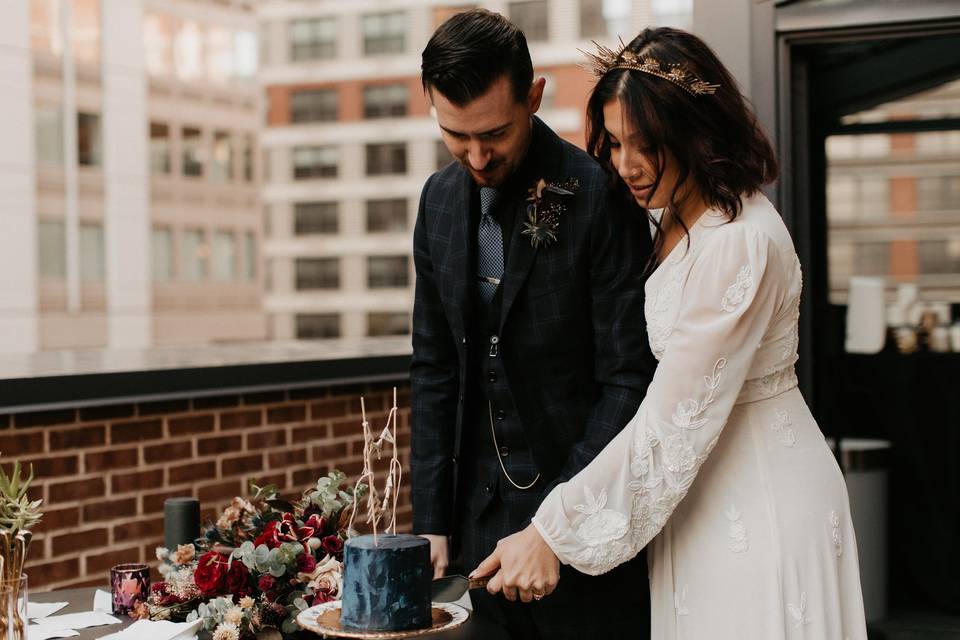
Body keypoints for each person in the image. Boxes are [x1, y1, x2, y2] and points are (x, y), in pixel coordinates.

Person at [474, 27, 869, 639]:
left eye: (646, 144)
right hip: (694, 503)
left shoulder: (741, 243)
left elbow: (672, 425)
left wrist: (553, 530)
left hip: (757, 504)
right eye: (613, 142)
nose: (626, 165)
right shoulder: (670, 215)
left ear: (697, 131)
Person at [410, 9, 656, 639]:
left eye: (494, 132)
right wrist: (433, 518)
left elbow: (629, 379)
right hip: (473, 534)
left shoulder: (600, 195)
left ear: (534, 96)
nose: (477, 154)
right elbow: (436, 367)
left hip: (582, 528)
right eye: (455, 135)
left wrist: (560, 523)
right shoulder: (437, 201)